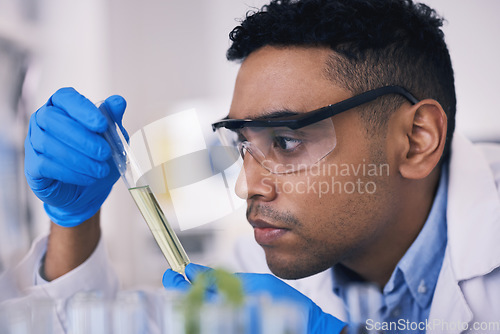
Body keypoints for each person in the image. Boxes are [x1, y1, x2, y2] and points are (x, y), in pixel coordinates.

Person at [1, 0, 500, 333]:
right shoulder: (257, 271)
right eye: (244, 145)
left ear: (415, 141)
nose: (246, 186)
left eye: (286, 140)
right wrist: (75, 221)